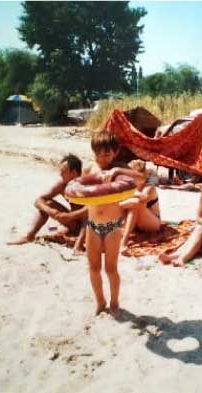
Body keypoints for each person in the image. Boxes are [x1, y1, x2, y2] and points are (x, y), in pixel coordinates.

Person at [83, 131, 144, 318]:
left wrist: (117, 171)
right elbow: (78, 190)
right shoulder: (89, 169)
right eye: (99, 153)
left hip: (112, 226)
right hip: (92, 225)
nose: (103, 157)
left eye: (107, 153)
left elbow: (141, 177)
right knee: (93, 268)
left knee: (111, 268)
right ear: (94, 152)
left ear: (115, 153)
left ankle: (114, 301)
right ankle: (100, 301)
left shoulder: (119, 169)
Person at [7, 154, 87, 251]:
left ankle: (75, 239)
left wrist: (69, 217)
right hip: (73, 223)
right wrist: (50, 211)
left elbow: (91, 212)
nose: (60, 174)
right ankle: (29, 236)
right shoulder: (62, 185)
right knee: (47, 204)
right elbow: (38, 201)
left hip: (90, 225)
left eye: (63, 172)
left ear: (73, 173)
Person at [119, 159, 162, 255]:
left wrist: (119, 205)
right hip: (135, 223)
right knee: (131, 203)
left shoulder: (149, 187)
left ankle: (124, 242)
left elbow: (143, 198)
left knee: (136, 203)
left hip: (152, 223)